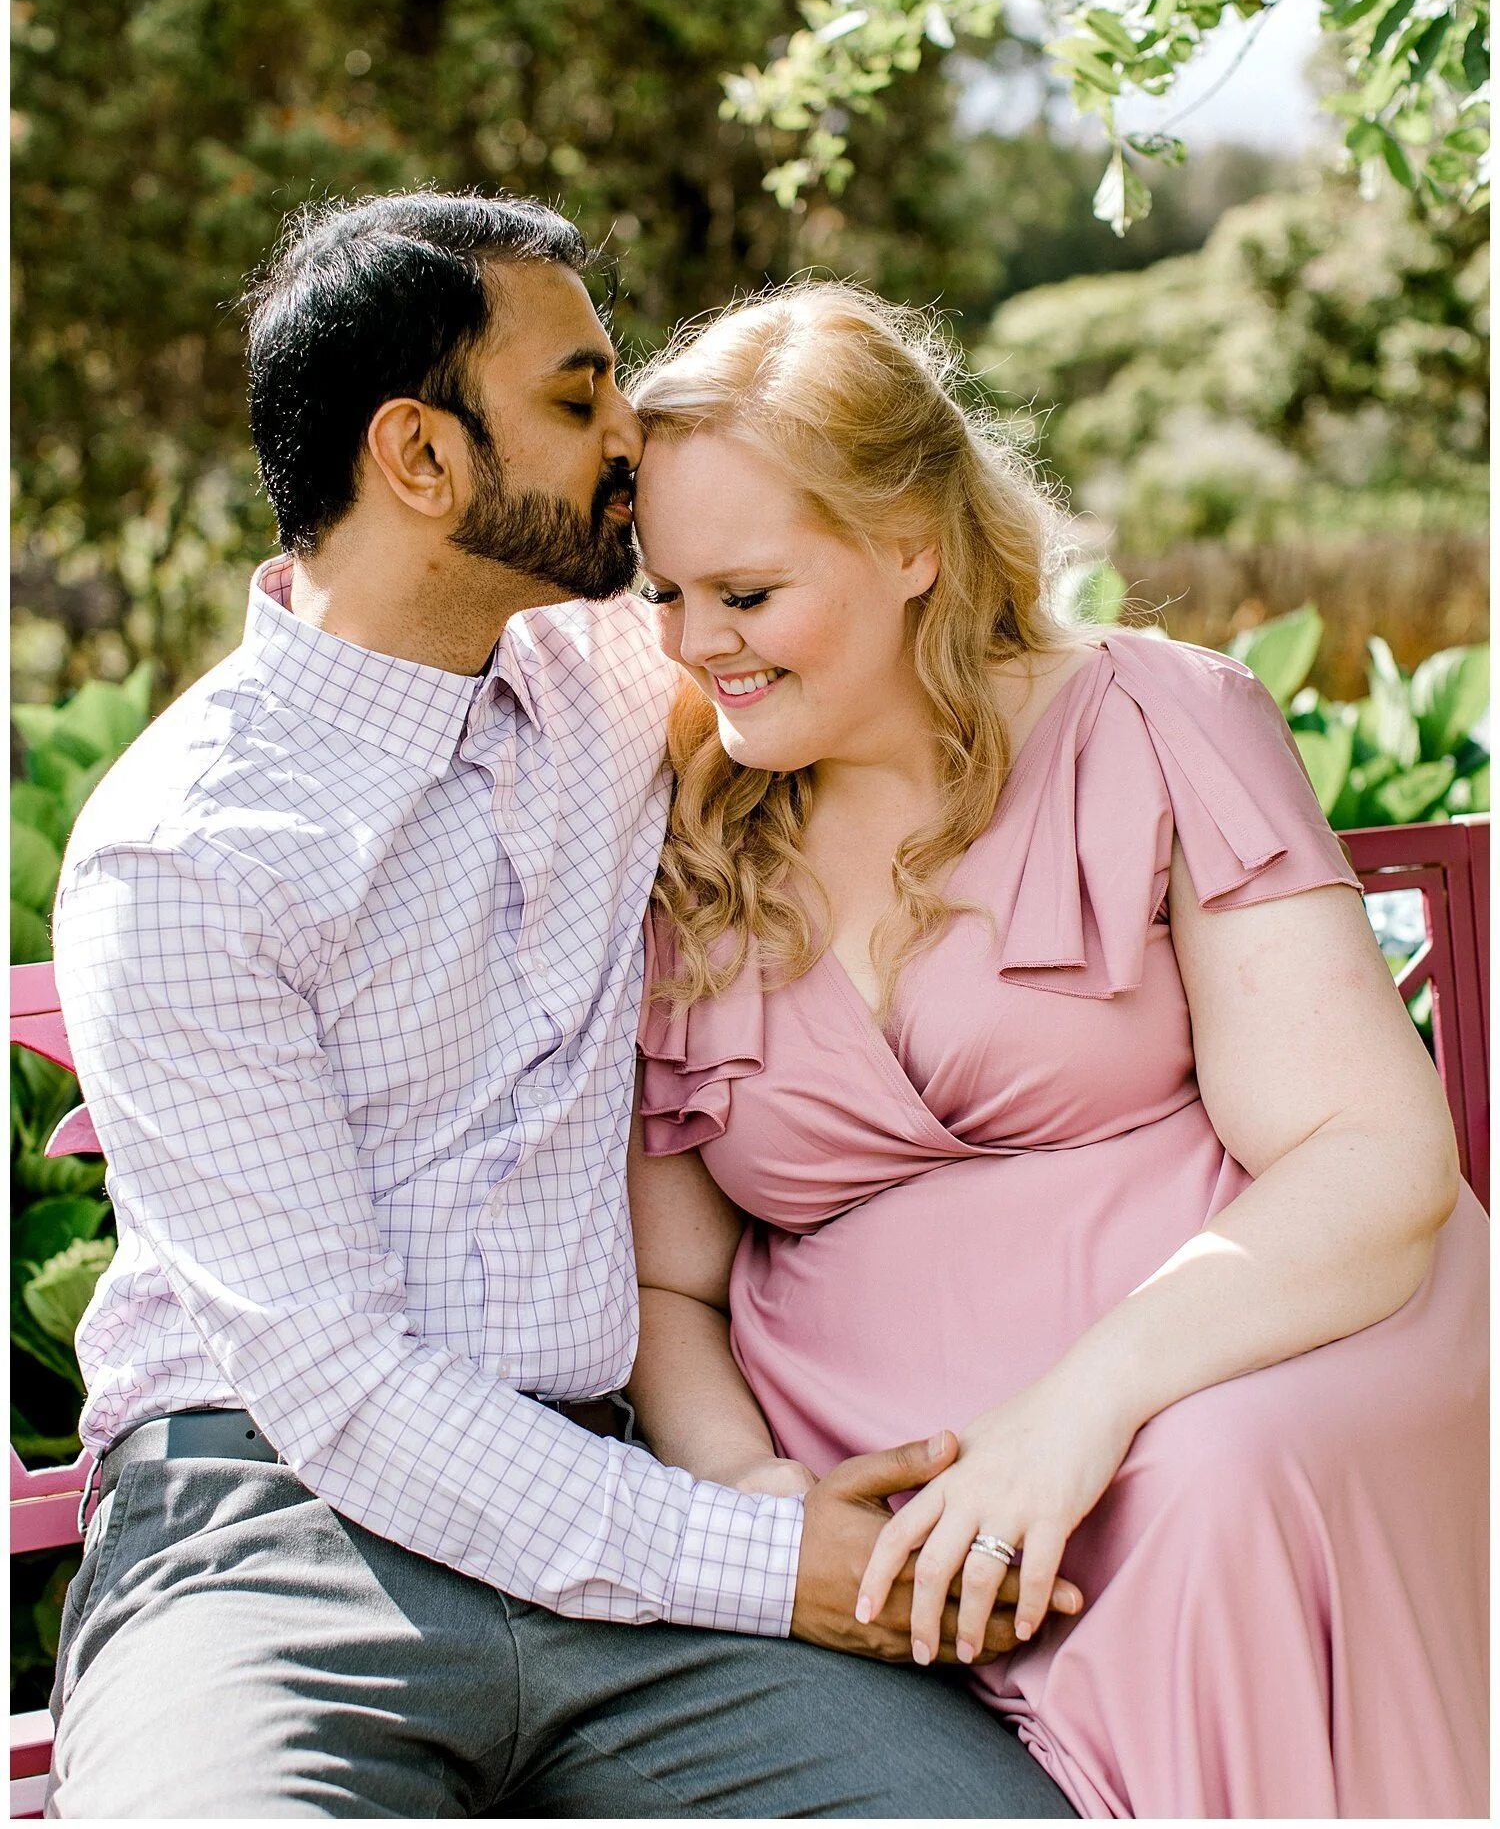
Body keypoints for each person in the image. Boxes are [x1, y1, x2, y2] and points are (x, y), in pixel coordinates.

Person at [45, 196, 1078, 1819]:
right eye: (582, 394)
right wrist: (772, 1552)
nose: (630, 437)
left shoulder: (614, 678)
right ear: (423, 459)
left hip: (621, 1509)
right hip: (279, 1534)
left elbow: (879, 624)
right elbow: (341, 1385)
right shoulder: (184, 853)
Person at [624, 281, 1489, 1819]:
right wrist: (761, 1509)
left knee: (1213, 1490)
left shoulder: (1158, 722)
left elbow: (1374, 1153)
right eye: (666, 596)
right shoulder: (683, 831)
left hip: (1251, 1358)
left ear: (912, 543)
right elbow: (668, 1285)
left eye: (746, 594)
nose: (701, 648)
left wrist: (1073, 1416)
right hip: (887, 1488)